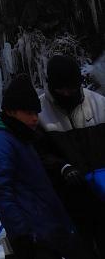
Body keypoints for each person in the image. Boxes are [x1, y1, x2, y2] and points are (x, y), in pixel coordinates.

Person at [0, 74, 78, 259]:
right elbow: (1, 192)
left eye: (36, 112)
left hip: (45, 231)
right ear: (10, 112)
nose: (35, 118)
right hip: (33, 235)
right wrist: (21, 235)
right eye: (28, 113)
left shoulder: (20, 136)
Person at [38, 54, 105, 259]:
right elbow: (38, 154)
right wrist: (62, 166)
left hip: (102, 192)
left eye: (71, 88)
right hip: (68, 199)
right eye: (61, 89)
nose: (66, 93)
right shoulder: (40, 111)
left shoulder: (99, 104)